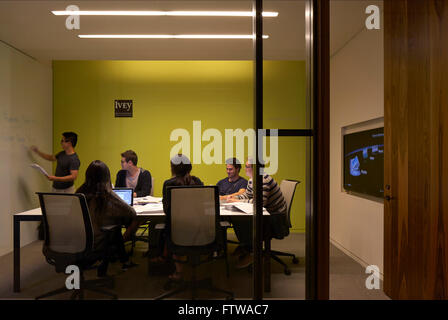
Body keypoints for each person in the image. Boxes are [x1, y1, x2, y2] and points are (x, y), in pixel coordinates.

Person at [76, 160, 140, 276]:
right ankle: (120, 257)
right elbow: (131, 212)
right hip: (95, 245)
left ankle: (123, 259)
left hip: (75, 242)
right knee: (115, 228)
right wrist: (111, 191)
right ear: (106, 177)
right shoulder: (107, 195)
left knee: (113, 227)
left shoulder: (79, 193)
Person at [227, 159, 288, 269]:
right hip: (267, 213)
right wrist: (235, 197)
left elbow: (260, 204)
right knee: (236, 218)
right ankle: (246, 246)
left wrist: (238, 201)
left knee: (240, 220)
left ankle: (252, 252)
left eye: (248, 167)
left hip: (274, 217)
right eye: (246, 166)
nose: (245, 169)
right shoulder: (253, 179)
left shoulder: (263, 180)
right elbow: (248, 195)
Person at [152, 154, 203, 281]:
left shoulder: (169, 184)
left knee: (170, 226)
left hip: (177, 233)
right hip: (200, 230)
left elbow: (166, 210)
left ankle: (179, 272)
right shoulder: (198, 181)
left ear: (173, 168)